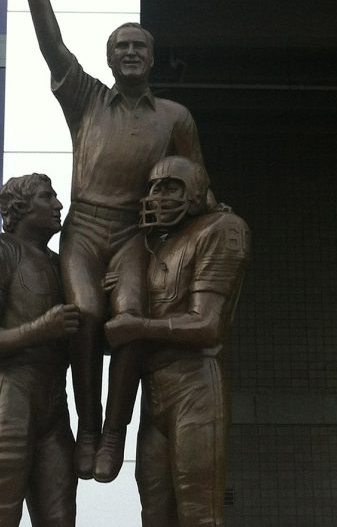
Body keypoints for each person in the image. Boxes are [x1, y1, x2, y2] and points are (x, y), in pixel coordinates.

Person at [13, 0, 208, 482]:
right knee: (86, 315)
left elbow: (196, 183)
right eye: (121, 46)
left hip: (133, 234)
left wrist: (216, 218)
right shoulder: (87, 99)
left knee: (126, 321)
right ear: (108, 57)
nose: (129, 53)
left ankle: (116, 431)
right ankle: (89, 425)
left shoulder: (174, 117)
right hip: (85, 227)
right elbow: (52, 46)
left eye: (139, 47)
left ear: (152, 57)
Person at [105, 156, 250, 527]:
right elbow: (125, 329)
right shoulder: (151, 245)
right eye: (153, 187)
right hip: (154, 391)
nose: (158, 195)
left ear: (196, 192)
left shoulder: (221, 228)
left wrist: (136, 326)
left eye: (170, 186)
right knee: (154, 513)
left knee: (198, 511)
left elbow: (207, 324)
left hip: (195, 384)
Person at [0, 173, 80, 527]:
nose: (58, 205)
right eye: (47, 197)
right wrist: (41, 328)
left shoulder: (63, 265)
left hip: (54, 402)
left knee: (60, 518)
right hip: (9, 394)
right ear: (20, 208)